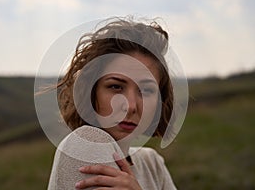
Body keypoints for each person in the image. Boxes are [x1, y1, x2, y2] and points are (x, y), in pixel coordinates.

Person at [47, 17, 177, 190]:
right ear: (91, 92)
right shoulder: (84, 146)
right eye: (116, 86)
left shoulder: (152, 163)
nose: (130, 106)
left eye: (146, 90)